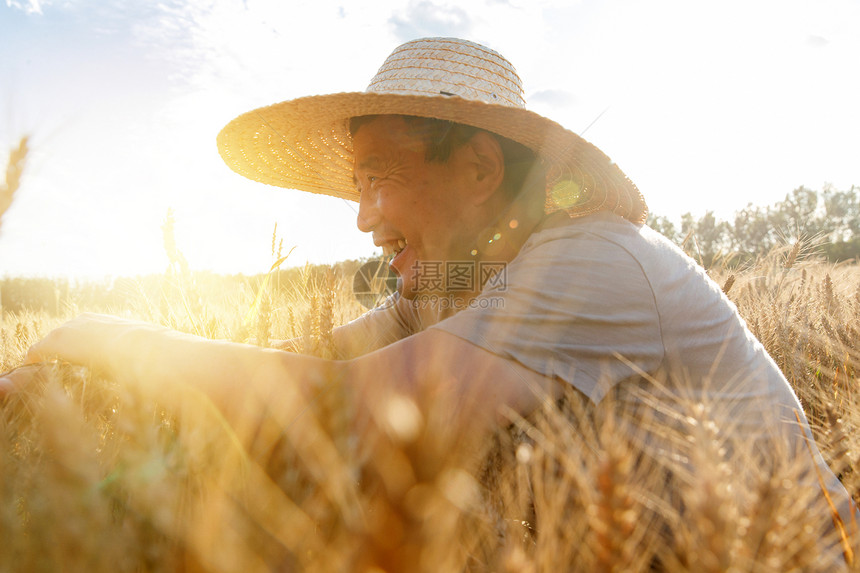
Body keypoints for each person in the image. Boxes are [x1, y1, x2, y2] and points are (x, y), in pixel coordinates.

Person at [1, 37, 855, 556]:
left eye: (377, 179)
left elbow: (356, 403)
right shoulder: (453, 282)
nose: (364, 219)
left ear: (481, 168)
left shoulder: (592, 261)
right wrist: (79, 385)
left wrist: (100, 333)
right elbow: (302, 362)